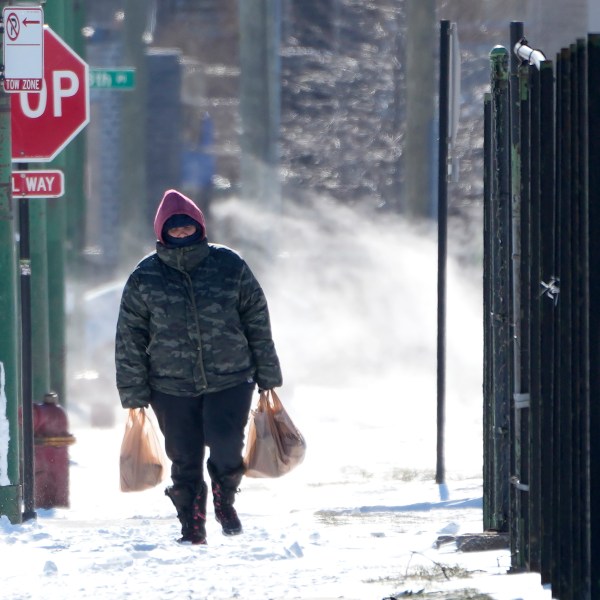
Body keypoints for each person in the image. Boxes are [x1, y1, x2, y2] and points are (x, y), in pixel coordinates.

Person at [115, 189, 282, 545]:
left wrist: (267, 373)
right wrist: (133, 390)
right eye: (173, 229)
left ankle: (225, 498)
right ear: (162, 231)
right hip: (170, 385)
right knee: (184, 457)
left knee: (226, 444)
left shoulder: (229, 266)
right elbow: (129, 336)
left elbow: (256, 320)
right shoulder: (145, 277)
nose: (180, 233)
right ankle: (191, 524)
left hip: (231, 378)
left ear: (199, 227)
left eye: (185, 226)